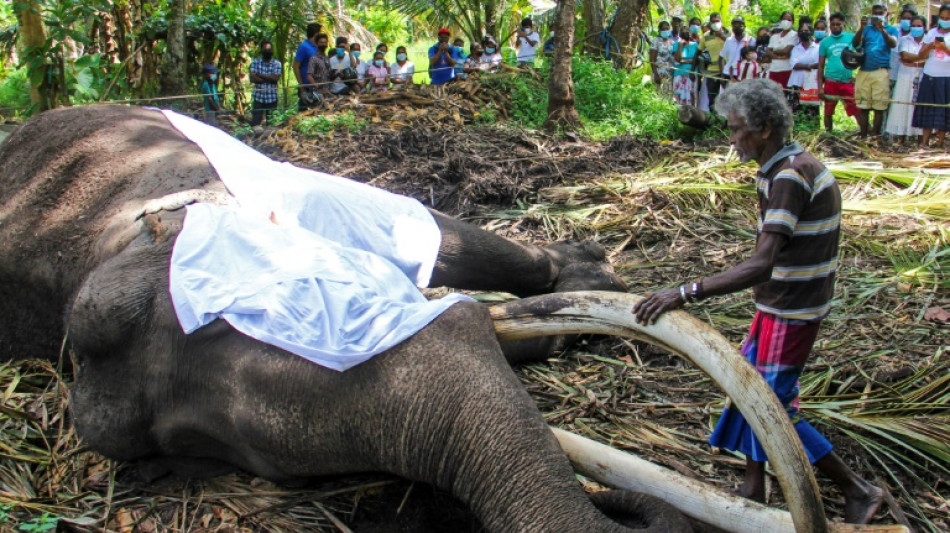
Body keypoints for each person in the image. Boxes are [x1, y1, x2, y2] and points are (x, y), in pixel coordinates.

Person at [633, 78, 885, 527]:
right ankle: (754, 485)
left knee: (772, 409)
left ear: (764, 128)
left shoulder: (789, 177)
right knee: (749, 388)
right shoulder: (783, 166)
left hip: (792, 308)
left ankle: (858, 490)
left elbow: (762, 262)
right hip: (782, 303)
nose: (730, 139)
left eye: (735, 130)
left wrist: (687, 292)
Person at [852, 4, 899, 137]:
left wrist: (883, 30)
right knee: (862, 105)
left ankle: (875, 136)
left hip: (881, 71)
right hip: (864, 70)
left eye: (880, 13)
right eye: (875, 13)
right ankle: (863, 135)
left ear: (886, 14)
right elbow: (855, 44)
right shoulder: (866, 29)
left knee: (879, 106)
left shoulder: (891, 29)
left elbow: (893, 44)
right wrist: (861, 28)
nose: (878, 15)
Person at [911, 4, 950, 148]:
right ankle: (924, 142)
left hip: (946, 77)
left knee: (943, 110)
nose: (945, 20)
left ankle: (940, 142)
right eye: (943, 18)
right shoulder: (931, 33)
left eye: (948, 18)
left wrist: (945, 49)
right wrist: (929, 46)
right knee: (927, 108)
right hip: (929, 74)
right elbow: (920, 55)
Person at [885, 15, 925, 144]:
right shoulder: (904, 40)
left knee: (919, 107)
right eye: (914, 25)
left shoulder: (929, 41)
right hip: (904, 77)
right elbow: (905, 56)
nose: (916, 28)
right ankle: (901, 138)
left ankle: (920, 139)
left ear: (924, 27)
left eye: (919, 26)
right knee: (902, 107)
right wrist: (921, 59)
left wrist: (914, 62)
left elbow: (928, 59)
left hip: (922, 78)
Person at [818, 13, 859, 133]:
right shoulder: (825, 43)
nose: (835, 27)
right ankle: (828, 136)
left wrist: (857, 77)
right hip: (831, 81)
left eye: (838, 24)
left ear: (843, 25)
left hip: (847, 81)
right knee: (828, 111)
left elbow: (861, 55)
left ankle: (864, 134)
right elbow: (820, 66)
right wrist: (820, 87)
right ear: (830, 26)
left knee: (855, 108)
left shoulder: (851, 38)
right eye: (833, 25)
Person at [699, 13, 729, 111]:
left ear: (721, 21)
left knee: (728, 98)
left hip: (727, 71)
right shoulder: (706, 36)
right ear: (710, 23)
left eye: (717, 21)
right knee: (712, 99)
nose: (715, 23)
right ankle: (713, 121)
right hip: (712, 72)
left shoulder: (728, 33)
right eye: (713, 21)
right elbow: (698, 52)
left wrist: (722, 36)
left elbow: (733, 46)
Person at [789, 23, 820, 119]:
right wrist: (809, 66)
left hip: (812, 84)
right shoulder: (795, 48)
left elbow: (819, 64)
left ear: (811, 32)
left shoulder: (818, 48)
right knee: (796, 110)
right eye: (801, 31)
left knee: (812, 110)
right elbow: (794, 65)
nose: (804, 33)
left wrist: (803, 65)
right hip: (797, 82)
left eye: (806, 31)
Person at [249, 41, 281, 127]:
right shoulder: (255, 62)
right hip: (258, 97)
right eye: (265, 49)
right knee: (255, 122)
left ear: (272, 51)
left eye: (269, 49)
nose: (268, 51)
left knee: (272, 123)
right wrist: (269, 78)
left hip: (272, 97)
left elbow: (275, 79)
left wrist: (259, 75)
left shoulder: (277, 64)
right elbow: (252, 78)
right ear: (262, 50)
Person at [768, 11, 800, 92]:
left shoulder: (794, 35)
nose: (786, 21)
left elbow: (786, 51)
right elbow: (767, 51)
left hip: (786, 69)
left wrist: (774, 51)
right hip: (773, 69)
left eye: (789, 19)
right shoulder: (774, 37)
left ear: (793, 22)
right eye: (784, 19)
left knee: (784, 93)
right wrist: (778, 56)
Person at [293, 22, 321, 111]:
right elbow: (295, 66)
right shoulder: (304, 47)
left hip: (317, 85)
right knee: (303, 111)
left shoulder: (317, 47)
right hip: (307, 85)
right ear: (316, 34)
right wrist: (301, 86)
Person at [892, 6, 917, 87]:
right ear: (900, 18)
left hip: (908, 74)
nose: (906, 20)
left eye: (909, 18)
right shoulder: (894, 29)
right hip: (891, 72)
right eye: (904, 18)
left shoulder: (916, 34)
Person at [723, 16, 755, 81]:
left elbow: (753, 59)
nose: (737, 27)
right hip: (727, 74)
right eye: (734, 25)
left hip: (742, 75)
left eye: (740, 25)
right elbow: (721, 57)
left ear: (744, 27)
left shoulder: (751, 40)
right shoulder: (728, 40)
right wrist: (722, 74)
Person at [672, 29, 699, 106]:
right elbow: (678, 59)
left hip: (692, 74)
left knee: (692, 95)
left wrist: (684, 60)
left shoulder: (695, 45)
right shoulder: (676, 44)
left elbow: (696, 60)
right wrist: (680, 45)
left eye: (687, 32)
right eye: (684, 32)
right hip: (679, 74)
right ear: (680, 34)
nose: (686, 33)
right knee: (679, 97)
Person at [650, 21, 676, 93]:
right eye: (663, 29)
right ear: (659, 30)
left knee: (668, 97)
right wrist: (656, 74)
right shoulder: (655, 41)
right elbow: (652, 59)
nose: (665, 31)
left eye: (667, 29)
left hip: (669, 74)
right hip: (659, 73)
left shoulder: (672, 43)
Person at [305, 34, 331, 101]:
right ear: (316, 44)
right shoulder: (313, 59)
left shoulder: (327, 58)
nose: (324, 45)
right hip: (317, 94)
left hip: (327, 91)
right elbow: (309, 76)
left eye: (325, 43)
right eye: (321, 43)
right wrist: (318, 88)